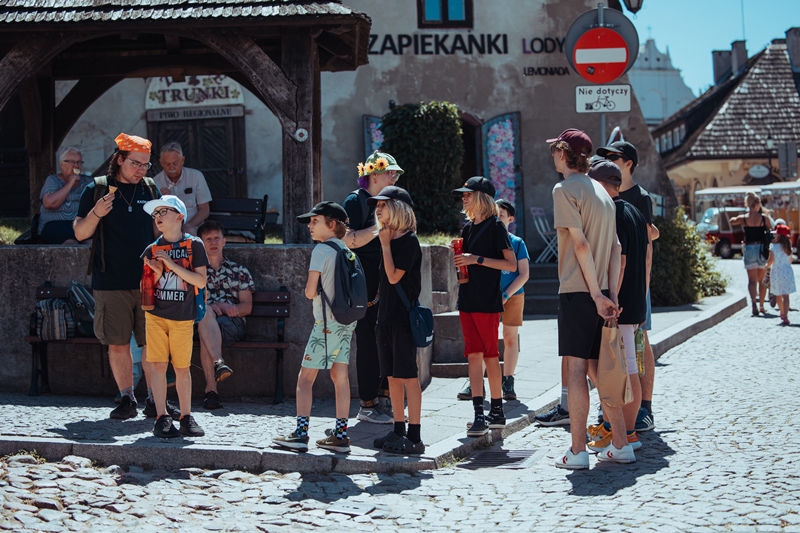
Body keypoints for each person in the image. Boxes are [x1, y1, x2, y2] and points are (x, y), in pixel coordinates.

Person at [547, 129, 630, 469]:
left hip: (579, 291)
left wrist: (595, 294)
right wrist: (611, 294)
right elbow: (616, 249)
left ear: (563, 152)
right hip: (602, 293)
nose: (553, 155)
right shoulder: (602, 193)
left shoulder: (564, 189)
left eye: (555, 150)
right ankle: (622, 444)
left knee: (577, 370)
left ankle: (578, 451)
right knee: (600, 370)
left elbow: (580, 244)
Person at [74, 133, 169, 421]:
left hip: (148, 281)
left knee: (152, 344)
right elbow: (79, 233)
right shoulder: (96, 189)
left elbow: (161, 233)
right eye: (135, 163)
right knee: (117, 343)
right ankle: (127, 398)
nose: (141, 169)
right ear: (119, 160)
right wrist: (96, 213)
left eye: (145, 164)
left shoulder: (150, 189)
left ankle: (155, 400)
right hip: (110, 281)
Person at [273, 201, 357, 453]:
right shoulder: (346, 249)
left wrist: (312, 290)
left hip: (326, 324)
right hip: (345, 322)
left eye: (315, 221)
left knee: (304, 379)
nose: (310, 225)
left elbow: (310, 291)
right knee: (340, 377)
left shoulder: (321, 250)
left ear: (331, 224)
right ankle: (340, 435)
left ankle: (300, 434)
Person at [585, 159, 648, 453]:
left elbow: (619, 261)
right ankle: (621, 429)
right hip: (634, 300)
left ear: (600, 185)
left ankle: (627, 432)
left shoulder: (613, 213)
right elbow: (645, 256)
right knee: (627, 367)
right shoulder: (633, 211)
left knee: (624, 369)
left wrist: (612, 300)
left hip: (620, 304)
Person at [596, 140, 659, 433]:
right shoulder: (610, 199)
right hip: (621, 285)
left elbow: (647, 248)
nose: (609, 160)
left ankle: (643, 408)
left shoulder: (639, 198)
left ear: (628, 163)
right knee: (621, 353)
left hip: (632, 285)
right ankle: (616, 412)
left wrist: (641, 292)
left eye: (614, 157)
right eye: (606, 157)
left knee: (637, 347)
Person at [342, 151, 405, 424]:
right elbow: (347, 240)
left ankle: (384, 398)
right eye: (391, 173)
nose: (395, 178)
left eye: (396, 174)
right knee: (369, 341)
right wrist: (379, 229)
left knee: (388, 339)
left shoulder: (392, 202)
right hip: (363, 280)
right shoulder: (354, 201)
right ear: (374, 174)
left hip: (387, 277)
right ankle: (367, 405)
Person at [451, 177, 517, 437]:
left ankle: (497, 411)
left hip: (487, 300)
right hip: (467, 298)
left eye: (469, 194)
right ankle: (479, 414)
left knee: (490, 355)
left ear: (482, 197)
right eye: (463, 194)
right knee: (473, 355)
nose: (464, 197)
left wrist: (475, 259)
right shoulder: (468, 229)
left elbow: (510, 264)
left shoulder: (496, 226)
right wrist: (461, 257)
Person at [141, 195, 209, 438]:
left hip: (183, 317)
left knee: (182, 367)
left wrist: (171, 265)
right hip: (156, 317)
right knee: (158, 365)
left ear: (179, 217)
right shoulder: (151, 249)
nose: (157, 217)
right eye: (155, 214)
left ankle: (186, 417)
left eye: (163, 212)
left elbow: (200, 281)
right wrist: (158, 274)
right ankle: (161, 417)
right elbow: (145, 291)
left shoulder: (195, 245)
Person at [366, 186, 426, 455]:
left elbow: (393, 277)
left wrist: (386, 245)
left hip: (403, 319)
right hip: (385, 317)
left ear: (398, 208)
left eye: (383, 205)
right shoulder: (387, 239)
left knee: (408, 377)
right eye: (377, 206)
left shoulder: (408, 241)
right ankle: (398, 430)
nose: (378, 209)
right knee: (391, 376)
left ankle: (415, 437)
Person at [196, 220, 252, 410]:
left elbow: (247, 306)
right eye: (208, 239)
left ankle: (212, 391)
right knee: (205, 318)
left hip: (232, 325)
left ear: (224, 241)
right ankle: (218, 367)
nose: (213, 243)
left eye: (216, 238)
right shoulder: (195, 272)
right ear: (201, 243)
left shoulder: (239, 271)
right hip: (202, 324)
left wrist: (224, 306)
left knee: (205, 326)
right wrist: (211, 307)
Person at [496, 199, 530, 401]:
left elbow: (524, 274)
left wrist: (505, 295)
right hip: (490, 296)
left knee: (510, 337)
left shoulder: (517, 243)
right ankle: (475, 381)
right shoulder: (487, 242)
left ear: (510, 219)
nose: (497, 218)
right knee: (486, 339)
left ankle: (508, 380)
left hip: (513, 295)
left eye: (501, 215)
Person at [153, 141, 212, 236]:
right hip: (168, 228)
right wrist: (160, 200)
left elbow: (204, 210)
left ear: (182, 160)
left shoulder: (196, 177)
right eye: (167, 164)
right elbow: (154, 213)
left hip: (192, 226)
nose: (171, 167)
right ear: (161, 163)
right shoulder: (155, 182)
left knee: (190, 232)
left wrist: (189, 225)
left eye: (175, 163)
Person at [730, 192, 774, 316]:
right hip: (761, 249)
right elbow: (771, 229)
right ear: (758, 204)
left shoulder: (744, 218)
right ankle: (761, 305)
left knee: (751, 280)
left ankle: (753, 302)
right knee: (762, 280)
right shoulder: (763, 218)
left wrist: (739, 217)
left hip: (749, 248)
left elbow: (732, 221)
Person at [38, 147, 92, 244]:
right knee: (70, 243)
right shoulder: (53, 180)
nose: (76, 166)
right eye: (72, 162)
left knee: (92, 243)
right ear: (61, 164)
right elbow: (49, 204)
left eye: (79, 162)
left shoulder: (87, 181)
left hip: (81, 224)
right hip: (56, 224)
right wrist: (69, 184)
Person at [765, 223, 795, 325]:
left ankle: (781, 312)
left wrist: (766, 267)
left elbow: (771, 260)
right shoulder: (788, 246)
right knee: (786, 296)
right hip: (787, 271)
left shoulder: (773, 246)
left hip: (777, 272)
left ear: (778, 235)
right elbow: (790, 260)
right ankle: (786, 315)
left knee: (778, 293)